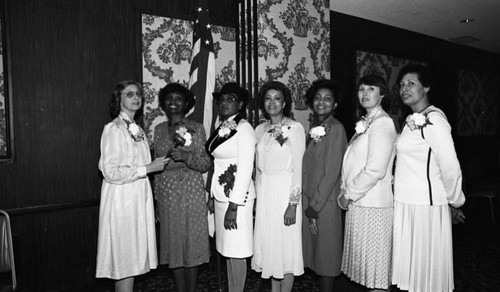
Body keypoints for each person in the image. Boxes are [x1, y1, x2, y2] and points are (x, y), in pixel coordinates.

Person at [392, 64, 466, 292]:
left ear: (427, 86)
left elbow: (450, 166)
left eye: (411, 83)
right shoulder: (411, 119)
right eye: (402, 85)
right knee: (414, 273)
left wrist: (455, 201)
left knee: (426, 272)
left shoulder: (434, 119)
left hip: (426, 207)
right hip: (407, 203)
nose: (405, 88)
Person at [96, 80, 169, 292]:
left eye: (137, 94)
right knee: (124, 261)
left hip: (137, 199)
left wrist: (155, 164)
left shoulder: (135, 128)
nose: (136, 97)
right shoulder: (114, 129)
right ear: (118, 100)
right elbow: (110, 171)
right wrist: (146, 169)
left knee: (130, 262)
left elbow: (140, 161)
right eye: (129, 94)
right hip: (121, 202)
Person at [338, 74, 397, 291]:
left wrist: (348, 194)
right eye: (361, 89)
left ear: (382, 94)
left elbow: (375, 170)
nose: (365, 93)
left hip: (373, 207)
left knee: (376, 275)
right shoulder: (367, 122)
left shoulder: (383, 123)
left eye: (371, 89)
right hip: (361, 205)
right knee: (366, 273)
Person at [153, 83, 211, 292]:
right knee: (173, 242)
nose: (173, 102)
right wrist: (157, 201)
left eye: (179, 99)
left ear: (186, 103)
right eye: (169, 98)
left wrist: (187, 157)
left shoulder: (197, 128)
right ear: (163, 103)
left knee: (193, 241)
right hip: (167, 192)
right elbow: (156, 169)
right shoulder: (158, 130)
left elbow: (205, 163)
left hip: (192, 189)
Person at [251, 81, 305, 292]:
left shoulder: (295, 128)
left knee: (287, 248)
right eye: (268, 98)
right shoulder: (259, 129)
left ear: (284, 103)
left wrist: (293, 203)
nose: (272, 102)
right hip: (265, 193)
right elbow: (257, 168)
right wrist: (256, 200)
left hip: (286, 192)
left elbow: (299, 168)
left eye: (277, 98)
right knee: (272, 248)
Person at [206, 82, 256, 292]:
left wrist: (234, 206)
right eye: (222, 99)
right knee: (227, 250)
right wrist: (212, 195)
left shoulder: (243, 128)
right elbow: (216, 164)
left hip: (237, 200)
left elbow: (245, 169)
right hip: (221, 197)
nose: (224, 103)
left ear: (241, 103)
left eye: (230, 99)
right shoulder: (224, 127)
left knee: (237, 252)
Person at [302, 79, 347, 291]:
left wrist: (314, 208)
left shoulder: (336, 128)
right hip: (312, 201)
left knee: (327, 260)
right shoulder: (316, 127)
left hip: (324, 204)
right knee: (318, 259)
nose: (322, 102)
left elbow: (331, 173)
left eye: (328, 99)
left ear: (335, 104)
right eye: (318, 98)